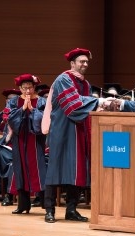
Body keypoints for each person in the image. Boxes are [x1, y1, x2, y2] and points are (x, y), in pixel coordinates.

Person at [43, 48, 108, 223]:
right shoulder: (64, 79)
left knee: (78, 170)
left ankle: (71, 210)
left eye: (87, 61)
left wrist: (99, 107)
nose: (85, 64)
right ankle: (49, 210)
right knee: (55, 169)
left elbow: (84, 108)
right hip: (62, 131)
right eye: (82, 61)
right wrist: (97, 101)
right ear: (72, 64)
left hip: (79, 131)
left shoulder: (85, 84)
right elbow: (74, 106)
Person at [7, 74, 47, 214]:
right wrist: (23, 109)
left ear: (34, 87)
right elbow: (9, 118)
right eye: (24, 88)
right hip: (19, 139)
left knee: (39, 169)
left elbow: (46, 119)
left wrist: (33, 110)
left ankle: (46, 204)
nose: (28, 91)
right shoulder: (13, 102)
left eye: (30, 87)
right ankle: (23, 205)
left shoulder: (42, 101)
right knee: (20, 170)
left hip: (35, 140)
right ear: (20, 88)